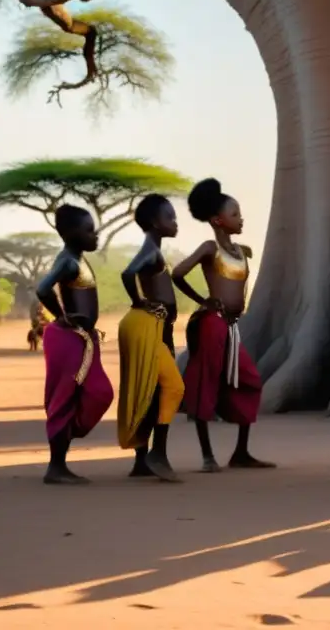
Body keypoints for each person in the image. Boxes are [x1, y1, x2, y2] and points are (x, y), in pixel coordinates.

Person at [173, 178, 274, 472]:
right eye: (235, 214)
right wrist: (204, 300)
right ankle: (207, 456)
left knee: (250, 380)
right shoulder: (209, 248)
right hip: (211, 324)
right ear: (218, 220)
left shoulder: (242, 251)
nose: (241, 218)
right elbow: (178, 273)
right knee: (206, 383)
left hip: (231, 326)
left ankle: (241, 452)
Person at [36, 205, 115, 484]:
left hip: (83, 338)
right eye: (89, 230)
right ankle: (56, 467)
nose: (95, 235)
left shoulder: (78, 258)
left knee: (99, 392)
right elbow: (42, 288)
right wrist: (62, 316)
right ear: (69, 233)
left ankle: (65, 443)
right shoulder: (68, 260)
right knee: (64, 400)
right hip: (68, 338)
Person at [117, 194, 186, 482]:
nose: (175, 222)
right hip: (151, 328)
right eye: (170, 217)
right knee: (173, 387)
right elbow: (127, 273)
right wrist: (139, 301)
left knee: (151, 391)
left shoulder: (154, 249)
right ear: (156, 223)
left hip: (160, 328)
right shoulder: (150, 249)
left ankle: (142, 460)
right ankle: (156, 453)